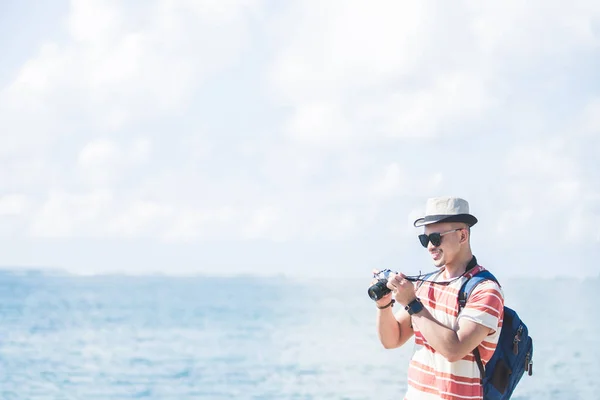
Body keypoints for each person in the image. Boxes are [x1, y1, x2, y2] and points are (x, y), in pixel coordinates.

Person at [373, 196, 504, 400]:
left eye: (436, 238)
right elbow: (393, 339)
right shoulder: (426, 285)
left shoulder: (485, 290)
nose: (430, 247)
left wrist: (411, 303)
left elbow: (454, 349)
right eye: (425, 240)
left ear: (462, 236)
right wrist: (383, 306)